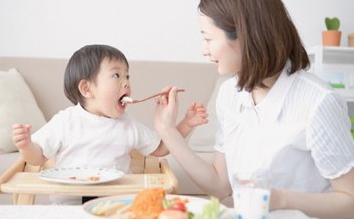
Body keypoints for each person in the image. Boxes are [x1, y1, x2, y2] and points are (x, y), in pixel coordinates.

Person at [153, 0, 354, 219]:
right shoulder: (230, 94)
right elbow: (221, 185)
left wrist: (281, 199)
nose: (203, 50)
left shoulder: (318, 102)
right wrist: (167, 131)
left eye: (208, 38)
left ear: (244, 35)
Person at [12, 44, 207, 204]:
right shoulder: (66, 121)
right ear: (87, 88)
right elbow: (37, 158)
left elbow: (163, 148)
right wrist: (26, 145)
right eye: (117, 75)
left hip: (117, 204)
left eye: (127, 76)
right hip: (69, 206)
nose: (126, 83)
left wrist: (187, 123)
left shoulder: (128, 124)